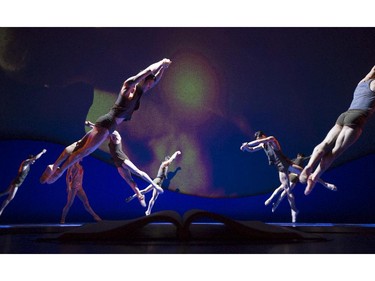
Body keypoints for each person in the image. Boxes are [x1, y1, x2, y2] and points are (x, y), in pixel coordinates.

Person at [40, 58, 172, 185]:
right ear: (143, 80)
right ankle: (59, 171)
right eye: (147, 83)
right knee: (83, 152)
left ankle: (54, 165)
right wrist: (161, 62)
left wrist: (163, 69)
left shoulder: (140, 91)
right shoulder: (128, 86)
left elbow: (154, 81)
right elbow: (148, 71)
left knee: (80, 144)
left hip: (106, 123)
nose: (149, 85)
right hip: (108, 124)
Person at [300, 65, 375, 195]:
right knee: (335, 152)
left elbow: (372, 70)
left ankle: (309, 165)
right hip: (358, 117)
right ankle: (315, 175)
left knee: (325, 143)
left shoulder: (362, 82)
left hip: (345, 114)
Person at [240, 132, 302, 222]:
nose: (259, 140)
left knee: (306, 173)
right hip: (280, 168)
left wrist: (247, 144)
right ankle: (294, 210)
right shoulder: (262, 145)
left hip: (287, 164)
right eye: (258, 139)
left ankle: (325, 183)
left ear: (263, 136)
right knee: (287, 190)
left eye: (259, 138)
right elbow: (252, 149)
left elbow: (263, 141)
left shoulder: (271, 139)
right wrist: (246, 147)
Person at [266, 153, 337, 215]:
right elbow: (308, 158)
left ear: (299, 155)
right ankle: (274, 202)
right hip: (292, 175)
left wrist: (311, 156)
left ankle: (274, 202)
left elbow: (308, 157)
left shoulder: (298, 160)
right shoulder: (295, 161)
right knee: (284, 191)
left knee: (283, 190)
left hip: (294, 176)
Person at [125, 151, 181, 216]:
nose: (169, 162)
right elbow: (172, 159)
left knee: (153, 197)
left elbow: (171, 174)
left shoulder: (166, 167)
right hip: (157, 181)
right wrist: (176, 153)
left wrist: (176, 170)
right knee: (146, 191)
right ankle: (133, 197)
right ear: (166, 160)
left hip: (159, 182)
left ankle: (148, 212)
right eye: (168, 161)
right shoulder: (164, 164)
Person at [0, 149, 46, 217]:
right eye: (33, 160)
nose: (34, 161)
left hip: (16, 181)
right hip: (16, 182)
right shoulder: (25, 162)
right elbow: (35, 158)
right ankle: (0, 211)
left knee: (7, 192)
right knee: (10, 197)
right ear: (30, 159)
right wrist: (42, 152)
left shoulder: (28, 165)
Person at [60, 159, 102, 224]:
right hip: (73, 187)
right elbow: (67, 176)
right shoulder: (72, 165)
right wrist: (68, 186)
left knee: (86, 203)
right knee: (69, 204)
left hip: (80, 187)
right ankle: (62, 219)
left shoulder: (80, 166)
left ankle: (95, 216)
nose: (82, 157)